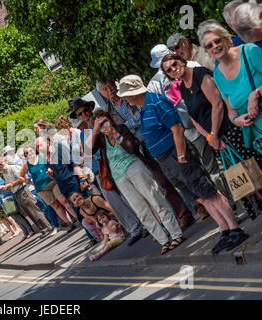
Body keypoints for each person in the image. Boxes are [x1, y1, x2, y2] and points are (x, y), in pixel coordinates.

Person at [116, 74, 249, 254]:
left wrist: (181, 156)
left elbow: (177, 128)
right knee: (200, 196)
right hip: (167, 160)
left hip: (175, 155)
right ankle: (225, 229)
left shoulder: (155, 102)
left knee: (208, 192)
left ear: (132, 94)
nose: (123, 98)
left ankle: (234, 228)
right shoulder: (146, 106)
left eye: (124, 95)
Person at [161, 53, 262, 217]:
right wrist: (209, 138)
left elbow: (217, 105)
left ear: (182, 61)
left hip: (229, 130)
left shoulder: (200, 74)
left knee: (252, 171)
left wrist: (214, 134)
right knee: (241, 177)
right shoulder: (181, 88)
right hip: (215, 139)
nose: (174, 69)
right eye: (169, 70)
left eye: (174, 64)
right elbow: (193, 118)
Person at [96, 79, 198, 229]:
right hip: (139, 149)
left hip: (154, 139)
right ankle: (184, 214)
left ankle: (199, 204)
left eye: (110, 85)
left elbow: (141, 116)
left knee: (181, 173)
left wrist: (126, 126)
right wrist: (128, 125)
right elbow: (121, 128)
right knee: (164, 182)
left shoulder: (130, 98)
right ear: (102, 94)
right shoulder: (109, 111)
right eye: (104, 89)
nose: (109, 89)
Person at [91, 109, 185, 255]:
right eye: (98, 121)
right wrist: (96, 129)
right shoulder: (100, 140)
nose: (103, 123)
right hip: (119, 177)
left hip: (135, 167)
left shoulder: (121, 128)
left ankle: (176, 234)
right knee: (141, 211)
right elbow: (87, 151)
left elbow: (131, 148)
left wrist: (114, 134)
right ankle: (163, 240)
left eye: (104, 119)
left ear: (109, 118)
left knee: (156, 199)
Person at [68, 95, 149, 244]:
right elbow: (86, 151)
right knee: (115, 202)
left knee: (129, 195)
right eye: (79, 114)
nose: (84, 115)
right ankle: (133, 228)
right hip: (99, 168)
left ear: (90, 108)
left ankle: (145, 224)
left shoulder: (101, 119)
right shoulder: (83, 131)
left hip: (115, 161)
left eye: (85, 110)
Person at [199, 19, 262, 155]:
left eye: (217, 40)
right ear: (208, 52)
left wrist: (255, 94)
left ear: (227, 39)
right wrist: (236, 120)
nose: (215, 46)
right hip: (258, 136)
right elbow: (231, 109)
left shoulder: (249, 52)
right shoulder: (217, 75)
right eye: (209, 46)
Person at [17, 145, 78, 232]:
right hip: (41, 188)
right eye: (26, 153)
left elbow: (50, 165)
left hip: (52, 182)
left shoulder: (41, 157)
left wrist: (51, 171)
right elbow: (19, 176)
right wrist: (27, 181)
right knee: (55, 206)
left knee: (63, 201)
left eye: (30, 151)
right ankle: (69, 223)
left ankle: (78, 218)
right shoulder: (27, 165)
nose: (29, 153)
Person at [0, 156, 54, 238]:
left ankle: (48, 227)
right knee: (30, 213)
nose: (0, 166)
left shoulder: (12, 167)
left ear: (4, 161)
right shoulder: (4, 172)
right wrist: (6, 187)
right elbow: (11, 184)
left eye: (0, 163)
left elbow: (22, 178)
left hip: (23, 190)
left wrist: (10, 185)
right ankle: (43, 229)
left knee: (34, 210)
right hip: (17, 193)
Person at [0, 166, 35, 242]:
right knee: (15, 217)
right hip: (5, 199)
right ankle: (25, 232)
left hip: (8, 198)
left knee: (17, 216)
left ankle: (30, 230)